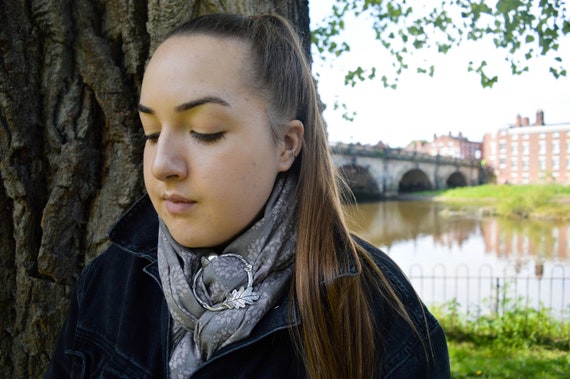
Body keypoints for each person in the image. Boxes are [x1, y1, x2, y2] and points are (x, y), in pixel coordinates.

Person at [46, 13, 450, 379]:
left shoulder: (383, 314)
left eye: (205, 131)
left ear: (286, 146)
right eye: (151, 133)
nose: (161, 164)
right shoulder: (108, 281)